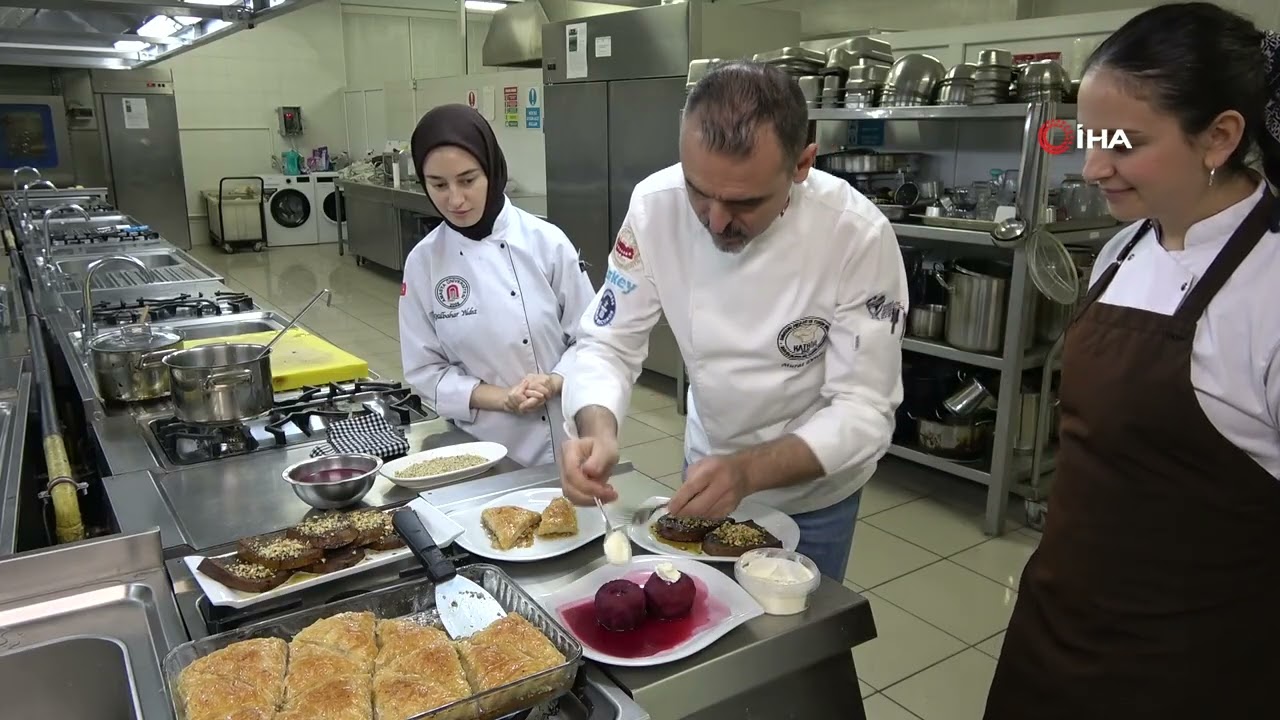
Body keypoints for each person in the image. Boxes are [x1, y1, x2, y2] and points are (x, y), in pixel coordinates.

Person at [985, 5, 1280, 717]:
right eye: (1091, 138)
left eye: (1123, 143)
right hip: (1057, 622)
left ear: (1219, 136)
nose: (1092, 167)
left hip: (1190, 667)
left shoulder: (1269, 288)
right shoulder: (1124, 250)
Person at [557, 62, 908, 580]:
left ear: (802, 164)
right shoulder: (655, 208)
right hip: (707, 469)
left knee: (800, 628)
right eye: (698, 190)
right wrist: (597, 427)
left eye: (745, 202)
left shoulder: (856, 234)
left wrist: (749, 471)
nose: (716, 220)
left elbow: (864, 409)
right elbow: (608, 342)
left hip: (814, 495)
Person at [400, 104, 595, 467]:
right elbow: (425, 371)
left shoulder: (546, 242)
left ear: (492, 170)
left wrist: (553, 381)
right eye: (438, 185)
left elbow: (591, 337)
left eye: (467, 180)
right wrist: (503, 398)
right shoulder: (424, 262)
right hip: (480, 447)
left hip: (567, 437)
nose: (455, 199)